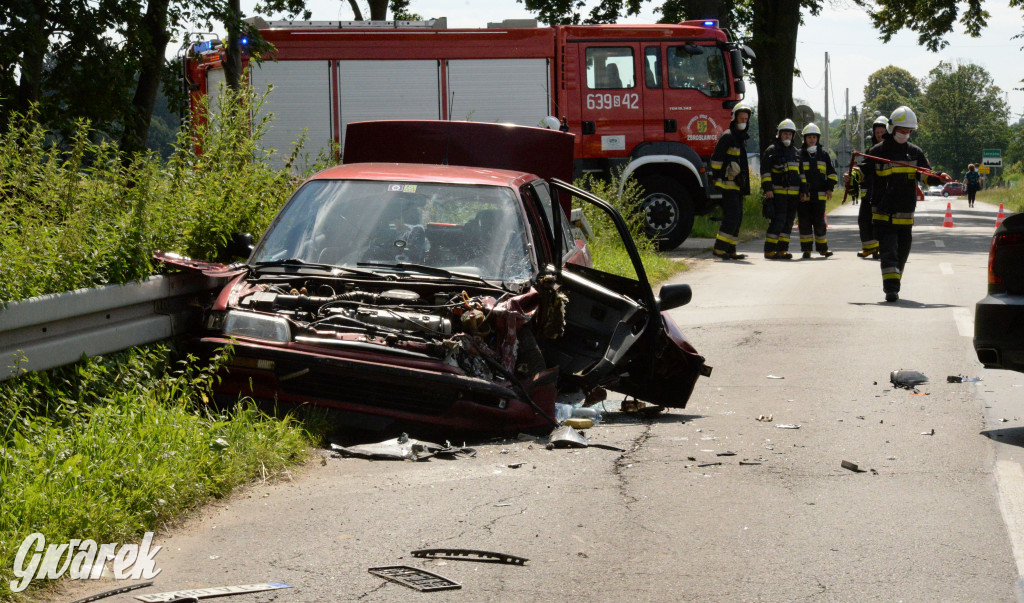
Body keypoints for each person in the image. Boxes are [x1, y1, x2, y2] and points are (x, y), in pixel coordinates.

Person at [863, 106, 948, 302]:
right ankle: (891, 289)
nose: (905, 134)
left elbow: (925, 176)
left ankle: (894, 280)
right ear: (892, 128)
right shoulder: (877, 152)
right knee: (889, 251)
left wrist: (939, 177)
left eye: (909, 131)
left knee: (902, 251)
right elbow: (862, 171)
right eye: (902, 130)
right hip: (883, 212)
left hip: (905, 213)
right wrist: (852, 176)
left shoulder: (914, 153)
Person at [709, 103, 753, 260]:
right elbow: (716, 159)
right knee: (732, 216)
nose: (744, 122)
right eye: (741, 119)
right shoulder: (728, 136)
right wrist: (716, 176)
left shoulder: (740, 138)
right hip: (727, 184)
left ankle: (731, 249)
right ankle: (719, 249)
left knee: (738, 217)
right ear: (734, 118)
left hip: (738, 184)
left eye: (746, 119)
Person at [761, 118, 806, 259]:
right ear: (779, 134)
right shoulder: (772, 150)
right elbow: (765, 172)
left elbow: (801, 174)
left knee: (788, 223)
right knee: (778, 221)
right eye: (785, 134)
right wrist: (768, 189)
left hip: (793, 195)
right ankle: (769, 250)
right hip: (778, 193)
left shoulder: (796, 152)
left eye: (790, 134)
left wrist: (803, 191)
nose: (787, 136)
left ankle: (782, 250)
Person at [847, 115, 889, 259]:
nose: (879, 135)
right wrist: (854, 174)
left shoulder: (892, 151)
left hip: (885, 193)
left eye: (882, 132)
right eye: (877, 132)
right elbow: (864, 168)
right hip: (869, 193)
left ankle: (882, 248)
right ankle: (869, 248)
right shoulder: (872, 150)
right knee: (864, 220)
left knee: (881, 222)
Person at [796, 123, 838, 258]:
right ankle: (806, 250)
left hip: (819, 197)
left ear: (818, 138)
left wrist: (830, 188)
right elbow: (797, 175)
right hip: (804, 197)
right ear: (805, 138)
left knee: (820, 223)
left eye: (814, 137)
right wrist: (801, 192)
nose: (812, 140)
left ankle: (823, 249)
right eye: (809, 137)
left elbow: (832, 174)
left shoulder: (824, 155)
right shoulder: (799, 155)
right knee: (804, 223)